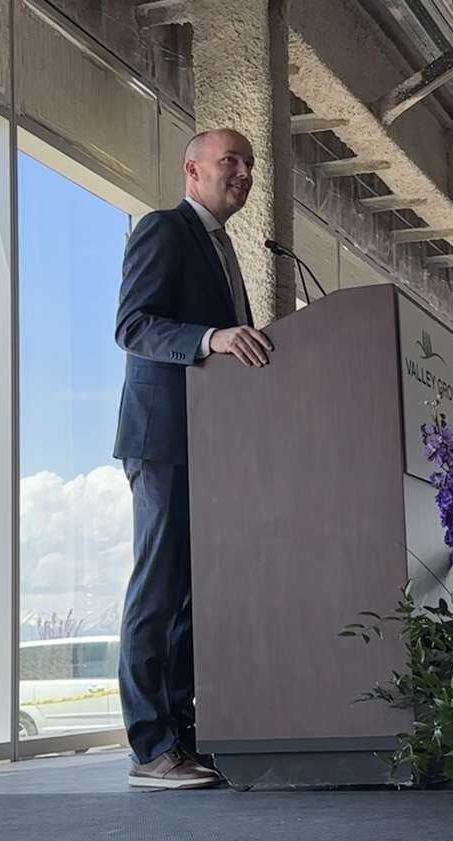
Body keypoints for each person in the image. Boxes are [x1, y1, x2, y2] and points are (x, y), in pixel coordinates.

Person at [114, 128, 274, 789]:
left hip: (210, 444)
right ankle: (150, 747)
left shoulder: (224, 247)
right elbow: (133, 325)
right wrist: (212, 337)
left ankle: (181, 739)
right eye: (229, 160)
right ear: (192, 170)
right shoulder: (164, 229)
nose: (243, 172)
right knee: (158, 590)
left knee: (189, 598)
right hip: (164, 440)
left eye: (249, 164)